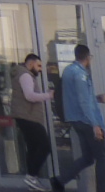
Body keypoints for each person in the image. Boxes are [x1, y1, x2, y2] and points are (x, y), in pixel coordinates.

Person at [58, 45, 105, 192]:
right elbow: (83, 101)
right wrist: (95, 125)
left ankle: (59, 180)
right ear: (88, 57)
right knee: (102, 157)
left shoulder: (68, 71)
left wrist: (97, 98)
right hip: (87, 120)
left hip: (75, 119)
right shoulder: (81, 74)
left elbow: (77, 97)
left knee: (88, 157)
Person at [11, 52, 63, 191]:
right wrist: (49, 95)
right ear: (31, 63)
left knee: (34, 147)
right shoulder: (25, 75)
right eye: (38, 65)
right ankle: (31, 176)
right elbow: (29, 96)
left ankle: (32, 179)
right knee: (44, 146)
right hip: (28, 116)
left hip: (25, 116)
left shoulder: (23, 74)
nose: (40, 69)